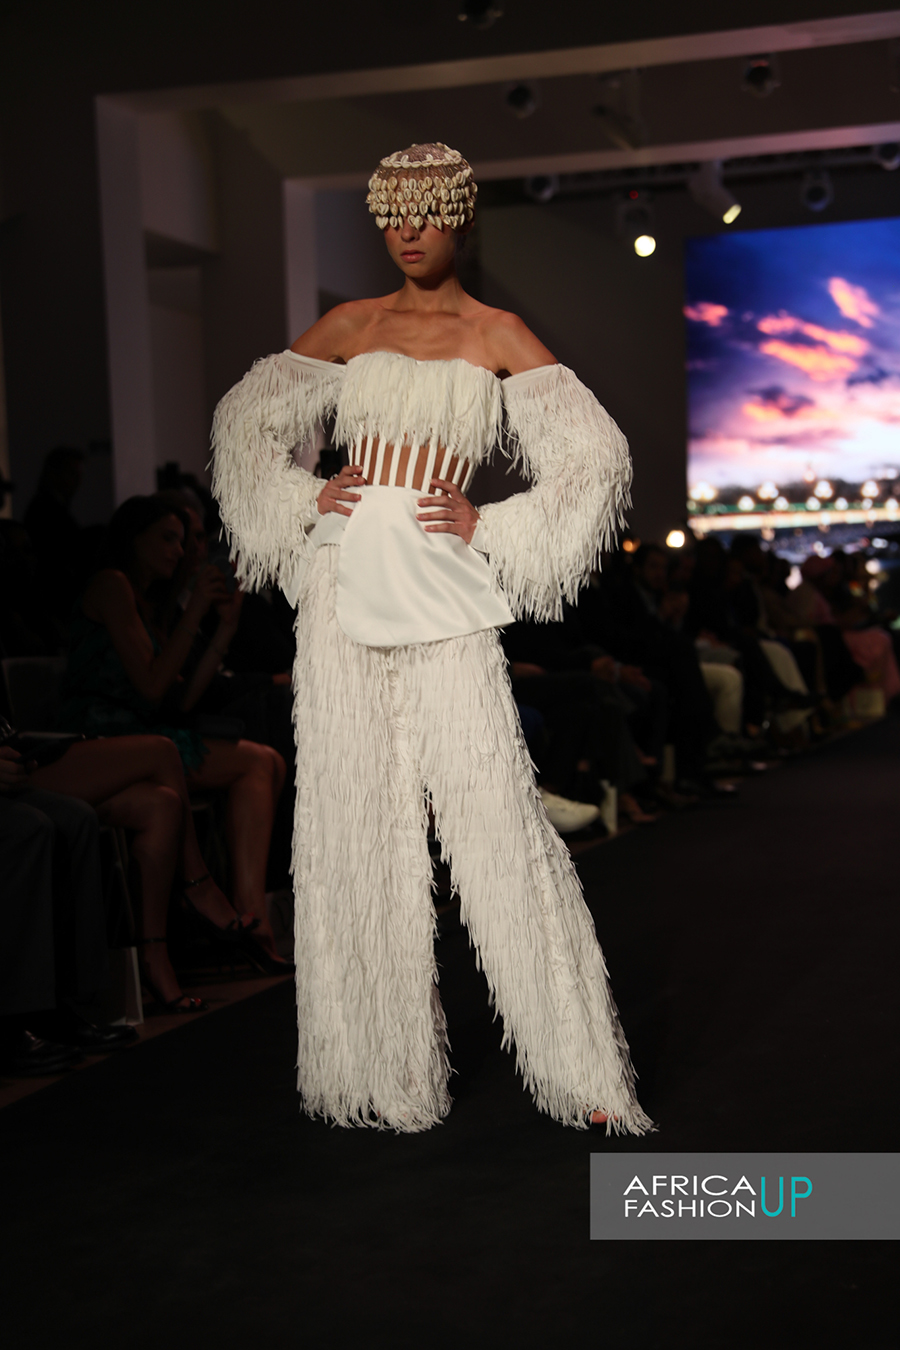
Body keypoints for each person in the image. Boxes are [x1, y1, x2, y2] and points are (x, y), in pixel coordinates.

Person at [211, 143, 652, 1135]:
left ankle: (581, 1074)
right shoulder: (352, 324)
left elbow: (596, 460)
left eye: (426, 211)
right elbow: (243, 426)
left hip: (444, 590)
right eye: (391, 214)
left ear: (459, 216)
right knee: (353, 825)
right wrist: (304, 498)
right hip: (340, 592)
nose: (407, 230)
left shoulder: (497, 332)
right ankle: (380, 1077)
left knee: (499, 820)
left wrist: (493, 526)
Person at [55, 496, 289, 980]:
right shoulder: (112, 585)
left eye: (182, 541)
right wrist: (195, 609)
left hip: (149, 733)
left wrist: (224, 626)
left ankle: (252, 918)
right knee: (249, 758)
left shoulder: (149, 600)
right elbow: (151, 686)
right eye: (167, 538)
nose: (178, 550)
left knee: (264, 761)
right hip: (103, 735)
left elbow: (179, 700)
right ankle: (210, 896)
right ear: (132, 538)